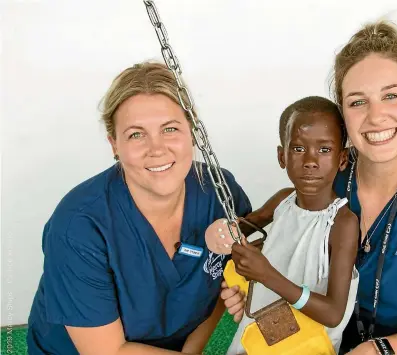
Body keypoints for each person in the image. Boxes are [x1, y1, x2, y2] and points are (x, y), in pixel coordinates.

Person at [222, 21, 397, 355]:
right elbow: (289, 261)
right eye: (358, 102)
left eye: (392, 96)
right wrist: (252, 293)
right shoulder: (324, 181)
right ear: (343, 116)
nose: (376, 116)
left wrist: (376, 351)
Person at [26, 62, 252, 354]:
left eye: (170, 129)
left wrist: (192, 350)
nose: (156, 149)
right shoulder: (78, 226)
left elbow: (224, 276)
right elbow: (109, 351)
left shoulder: (219, 191)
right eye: (136, 134)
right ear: (114, 145)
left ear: (192, 131)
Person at [212, 96, 361, 354]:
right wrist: (222, 234)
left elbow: (334, 313)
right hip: (262, 328)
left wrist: (266, 274)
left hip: (307, 343)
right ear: (282, 156)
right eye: (298, 149)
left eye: (324, 150)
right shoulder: (283, 201)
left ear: (342, 158)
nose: (310, 161)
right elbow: (239, 229)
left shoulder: (342, 223)